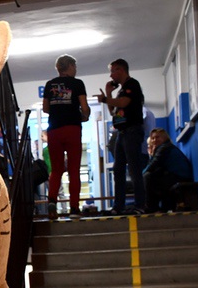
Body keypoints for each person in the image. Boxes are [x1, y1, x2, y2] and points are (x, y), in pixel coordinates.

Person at [43, 55, 90, 218]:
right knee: (73, 170)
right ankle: (74, 209)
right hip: (72, 129)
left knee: (56, 170)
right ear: (69, 66)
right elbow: (84, 107)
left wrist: (59, 111)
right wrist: (84, 116)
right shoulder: (77, 84)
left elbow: (45, 108)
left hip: (54, 130)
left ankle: (52, 203)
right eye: (74, 66)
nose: (75, 69)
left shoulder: (49, 84)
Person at [97, 58, 146, 214]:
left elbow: (124, 103)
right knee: (118, 170)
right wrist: (109, 93)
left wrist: (105, 99)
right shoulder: (121, 90)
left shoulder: (132, 84)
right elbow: (113, 111)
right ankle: (118, 207)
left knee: (134, 169)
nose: (111, 75)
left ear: (121, 70)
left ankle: (140, 205)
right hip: (121, 132)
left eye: (113, 71)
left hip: (132, 131)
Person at [143, 128, 194, 212]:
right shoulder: (165, 147)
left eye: (157, 137)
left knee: (147, 177)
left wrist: (141, 176)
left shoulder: (164, 148)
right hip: (178, 175)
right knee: (151, 177)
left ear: (164, 137)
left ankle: (151, 208)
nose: (155, 140)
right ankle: (156, 207)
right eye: (153, 138)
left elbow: (153, 165)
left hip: (179, 176)